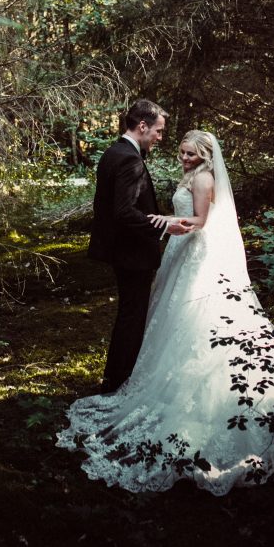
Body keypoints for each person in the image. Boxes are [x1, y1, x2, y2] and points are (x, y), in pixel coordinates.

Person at [58, 129, 274, 494]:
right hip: (179, 251)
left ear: (206, 155)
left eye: (190, 154)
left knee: (193, 315)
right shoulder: (191, 175)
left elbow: (202, 222)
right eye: (181, 152)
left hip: (194, 252)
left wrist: (164, 221)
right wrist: (167, 221)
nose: (184, 158)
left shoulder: (205, 177)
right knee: (167, 315)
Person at [88, 99, 190, 394]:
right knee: (133, 316)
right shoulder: (129, 159)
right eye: (158, 131)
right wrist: (164, 225)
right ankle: (120, 381)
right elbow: (123, 211)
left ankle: (115, 376)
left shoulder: (113, 152)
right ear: (142, 126)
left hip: (121, 250)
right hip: (132, 253)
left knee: (128, 314)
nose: (160, 137)